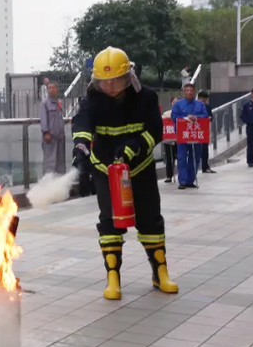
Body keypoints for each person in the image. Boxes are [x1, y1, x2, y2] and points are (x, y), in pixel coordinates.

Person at [71, 46, 178, 301]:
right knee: (109, 220)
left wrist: (133, 148)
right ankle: (112, 278)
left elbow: (155, 131)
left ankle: (160, 272)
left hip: (139, 167)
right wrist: (81, 151)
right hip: (105, 168)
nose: (109, 87)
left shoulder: (146, 98)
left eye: (115, 81)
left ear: (128, 77)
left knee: (150, 217)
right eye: (103, 82)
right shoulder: (92, 100)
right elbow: (82, 124)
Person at [171, 83, 210, 190]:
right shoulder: (178, 104)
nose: (189, 92)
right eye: (187, 90)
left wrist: (195, 117)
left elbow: (205, 115)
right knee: (182, 158)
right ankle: (182, 180)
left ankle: (190, 180)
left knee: (195, 157)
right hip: (182, 135)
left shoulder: (200, 104)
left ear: (194, 92)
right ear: (184, 92)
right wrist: (186, 118)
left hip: (196, 135)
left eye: (191, 90)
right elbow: (174, 117)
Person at [40, 81, 66, 175]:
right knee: (49, 162)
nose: (50, 90)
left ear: (56, 89)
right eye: (49, 88)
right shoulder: (45, 103)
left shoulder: (59, 102)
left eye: (53, 87)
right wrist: (46, 132)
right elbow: (43, 119)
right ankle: (47, 183)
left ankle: (59, 182)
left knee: (60, 162)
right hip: (50, 137)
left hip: (60, 136)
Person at [197, 90, 216, 174]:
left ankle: (205, 167)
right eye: (202, 100)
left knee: (205, 149)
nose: (203, 102)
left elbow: (211, 116)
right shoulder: (194, 106)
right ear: (198, 98)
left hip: (204, 130)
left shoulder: (208, 107)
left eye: (205, 100)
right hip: (195, 131)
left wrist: (209, 118)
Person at [161, 97, 179, 184]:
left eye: (177, 102)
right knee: (169, 158)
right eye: (173, 102)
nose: (175, 104)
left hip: (179, 140)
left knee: (180, 157)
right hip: (168, 140)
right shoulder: (166, 114)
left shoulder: (182, 113)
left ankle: (182, 175)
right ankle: (169, 176)